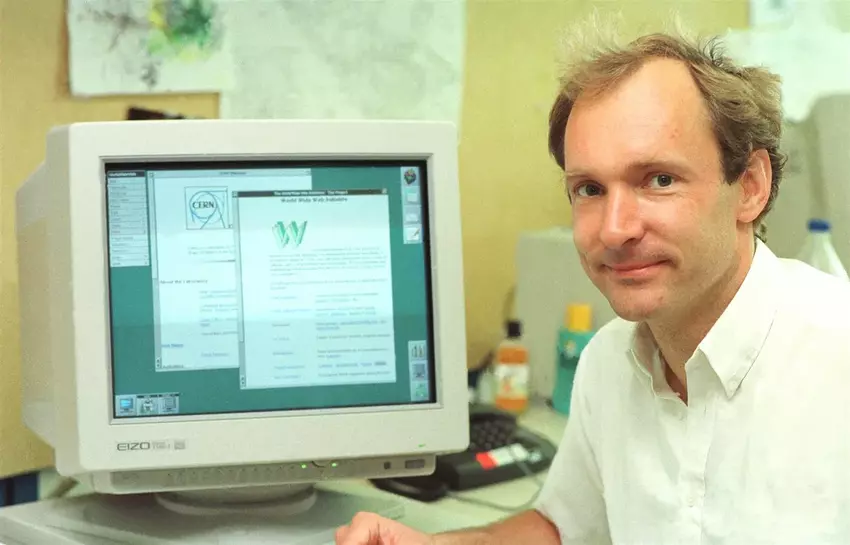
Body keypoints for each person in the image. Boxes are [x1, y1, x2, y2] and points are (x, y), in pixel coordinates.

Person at [335, 22, 850, 545]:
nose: (614, 229)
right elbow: (563, 528)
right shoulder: (608, 363)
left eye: (659, 180)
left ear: (751, 186)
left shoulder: (837, 360)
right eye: (589, 189)